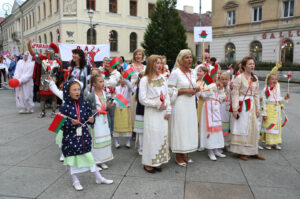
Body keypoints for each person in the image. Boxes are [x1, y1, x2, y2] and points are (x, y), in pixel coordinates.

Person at [60, 80, 113, 191]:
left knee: (89, 158)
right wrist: (70, 122)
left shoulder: (84, 103)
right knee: (71, 161)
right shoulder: (64, 107)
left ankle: (99, 178)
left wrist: (91, 120)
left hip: (84, 137)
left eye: (78, 89)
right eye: (74, 89)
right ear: (67, 92)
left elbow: (89, 117)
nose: (77, 92)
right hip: (70, 139)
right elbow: (58, 126)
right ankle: (75, 181)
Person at [139, 55, 171, 173]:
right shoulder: (144, 79)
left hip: (162, 113)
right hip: (152, 112)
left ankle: (158, 161)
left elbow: (167, 95)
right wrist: (156, 103)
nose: (159, 65)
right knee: (151, 136)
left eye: (160, 63)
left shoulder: (163, 78)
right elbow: (142, 99)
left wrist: (168, 109)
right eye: (157, 63)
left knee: (161, 136)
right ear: (151, 64)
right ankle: (148, 162)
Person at [230, 56, 265, 161]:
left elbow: (256, 94)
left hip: (252, 106)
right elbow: (235, 94)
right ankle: (241, 151)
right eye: (250, 64)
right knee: (242, 128)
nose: (252, 66)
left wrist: (258, 108)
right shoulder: (239, 78)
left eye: (253, 64)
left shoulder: (255, 78)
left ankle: (253, 151)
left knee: (254, 128)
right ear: (244, 66)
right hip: (243, 106)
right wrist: (235, 109)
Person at [168, 49, 199, 167]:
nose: (189, 59)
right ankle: (178, 155)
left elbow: (194, 86)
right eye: (186, 57)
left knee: (188, 128)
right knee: (180, 128)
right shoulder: (175, 72)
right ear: (180, 60)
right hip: (180, 104)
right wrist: (185, 90)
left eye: (190, 57)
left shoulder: (193, 72)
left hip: (190, 104)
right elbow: (169, 90)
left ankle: (185, 152)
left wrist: (196, 90)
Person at [27, 39, 61, 118]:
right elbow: (33, 54)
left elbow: (60, 73)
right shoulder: (42, 60)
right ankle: (43, 112)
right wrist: (29, 45)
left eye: (48, 51)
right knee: (42, 96)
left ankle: (53, 112)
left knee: (54, 96)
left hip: (53, 80)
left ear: (52, 52)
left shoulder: (57, 62)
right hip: (43, 80)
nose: (46, 52)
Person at [87, 74, 113, 169]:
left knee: (104, 139)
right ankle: (94, 161)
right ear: (94, 84)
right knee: (96, 140)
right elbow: (87, 110)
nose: (103, 83)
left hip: (105, 120)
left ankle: (102, 160)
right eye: (100, 81)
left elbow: (107, 106)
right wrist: (97, 111)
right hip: (96, 121)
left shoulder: (105, 93)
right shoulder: (90, 96)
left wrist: (109, 105)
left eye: (103, 81)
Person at [260, 63, 290, 150]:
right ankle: (269, 143)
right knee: (270, 125)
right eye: (272, 79)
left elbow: (279, 98)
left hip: (276, 110)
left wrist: (284, 99)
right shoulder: (266, 89)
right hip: (269, 109)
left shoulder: (277, 88)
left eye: (276, 79)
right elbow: (263, 102)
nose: (274, 80)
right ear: (268, 80)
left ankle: (275, 142)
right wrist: (264, 113)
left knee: (277, 126)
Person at [199, 69, 226, 161]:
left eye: (219, 74)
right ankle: (210, 150)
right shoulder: (207, 82)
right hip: (208, 107)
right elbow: (202, 94)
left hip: (215, 108)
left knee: (217, 128)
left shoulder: (216, 84)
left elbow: (220, 97)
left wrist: (221, 90)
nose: (218, 75)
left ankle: (216, 149)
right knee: (210, 128)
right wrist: (213, 87)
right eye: (217, 74)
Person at [126, 49, 146, 137]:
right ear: (134, 56)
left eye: (140, 54)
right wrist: (132, 86)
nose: (138, 56)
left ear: (142, 56)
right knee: (133, 110)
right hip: (133, 91)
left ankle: (141, 128)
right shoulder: (130, 67)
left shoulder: (145, 67)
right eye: (136, 54)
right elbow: (125, 79)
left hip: (143, 91)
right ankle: (133, 130)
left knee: (141, 110)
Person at [113, 77, 133, 148]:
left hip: (126, 107)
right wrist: (114, 102)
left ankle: (128, 141)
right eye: (121, 78)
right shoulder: (117, 88)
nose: (122, 80)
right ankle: (116, 141)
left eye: (124, 79)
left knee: (127, 124)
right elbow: (115, 96)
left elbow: (131, 87)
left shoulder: (128, 87)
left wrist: (126, 80)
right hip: (118, 107)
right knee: (117, 124)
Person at [196, 66, 208, 151]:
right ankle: (200, 142)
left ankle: (204, 143)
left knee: (204, 122)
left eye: (200, 71)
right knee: (198, 122)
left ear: (205, 72)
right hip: (198, 103)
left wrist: (202, 94)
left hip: (205, 103)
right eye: (198, 71)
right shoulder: (197, 80)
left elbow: (211, 91)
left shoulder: (207, 80)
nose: (198, 73)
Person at [133, 72, 145, 155]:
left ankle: (143, 147)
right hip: (141, 112)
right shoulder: (139, 88)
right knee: (140, 131)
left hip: (144, 112)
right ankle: (140, 147)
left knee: (144, 131)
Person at [219, 72, 231, 148]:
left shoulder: (230, 88)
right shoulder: (219, 88)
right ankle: (221, 143)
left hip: (228, 107)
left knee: (228, 125)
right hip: (221, 107)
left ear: (229, 80)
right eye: (222, 79)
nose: (224, 81)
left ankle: (227, 143)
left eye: (226, 79)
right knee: (222, 125)